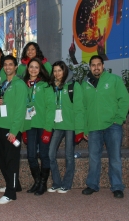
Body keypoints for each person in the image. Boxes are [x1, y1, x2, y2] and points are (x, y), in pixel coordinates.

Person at [81, 55, 129, 198]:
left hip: (112, 126)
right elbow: (83, 108)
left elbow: (124, 98)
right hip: (94, 127)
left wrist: (119, 119)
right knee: (93, 158)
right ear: (90, 67)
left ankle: (117, 187)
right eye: (93, 65)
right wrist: (85, 128)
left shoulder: (114, 80)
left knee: (115, 158)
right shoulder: (85, 84)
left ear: (103, 66)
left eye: (98, 64)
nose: (96, 67)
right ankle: (92, 185)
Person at [0, 55, 28, 204]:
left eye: (10, 64)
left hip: (12, 129)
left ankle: (11, 193)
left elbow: (21, 110)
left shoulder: (19, 84)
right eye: (5, 65)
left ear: (15, 67)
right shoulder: (3, 84)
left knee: (11, 160)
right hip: (1, 125)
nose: (7, 67)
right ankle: (14, 184)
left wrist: (14, 130)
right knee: (2, 158)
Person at [47, 61, 84, 194]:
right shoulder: (51, 87)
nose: (57, 74)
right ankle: (56, 182)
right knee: (50, 153)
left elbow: (79, 109)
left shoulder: (73, 86)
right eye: (55, 71)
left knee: (69, 155)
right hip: (57, 125)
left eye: (59, 70)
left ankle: (67, 184)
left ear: (65, 71)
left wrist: (79, 130)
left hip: (70, 126)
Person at [22, 58, 56, 196]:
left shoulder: (46, 86)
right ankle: (37, 181)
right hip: (29, 125)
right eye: (31, 67)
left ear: (40, 69)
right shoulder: (23, 85)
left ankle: (43, 183)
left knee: (43, 155)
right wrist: (23, 128)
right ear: (28, 68)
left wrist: (48, 129)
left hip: (43, 125)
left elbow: (51, 108)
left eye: (36, 67)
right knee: (31, 155)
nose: (33, 69)